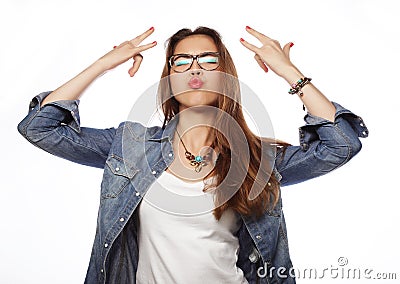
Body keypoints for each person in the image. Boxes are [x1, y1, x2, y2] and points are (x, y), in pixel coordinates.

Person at [17, 26, 368, 284]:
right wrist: (104, 64)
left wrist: (290, 73)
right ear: (168, 78)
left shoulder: (256, 159)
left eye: (208, 60)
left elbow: (341, 145)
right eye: (181, 62)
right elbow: (40, 128)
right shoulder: (131, 146)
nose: (195, 69)